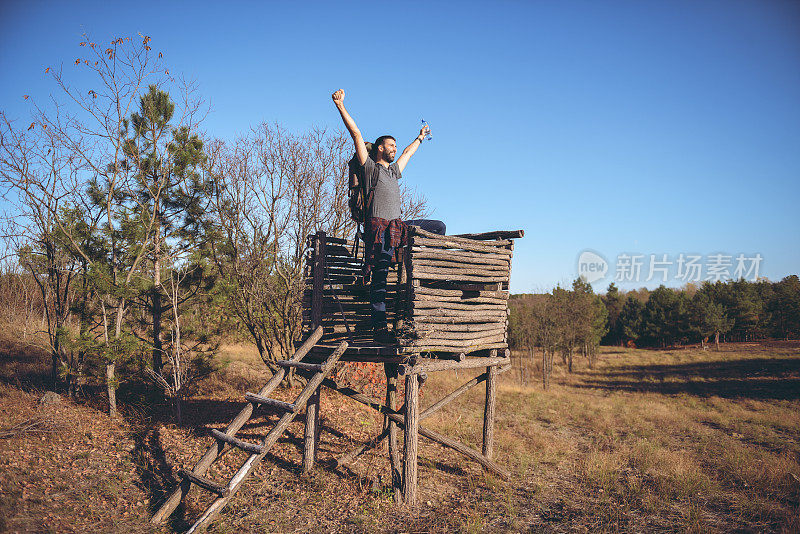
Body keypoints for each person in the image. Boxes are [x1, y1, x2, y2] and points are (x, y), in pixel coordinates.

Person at [332, 89, 446, 343]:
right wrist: (340, 106)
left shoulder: (394, 172)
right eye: (391, 145)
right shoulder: (370, 169)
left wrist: (419, 138)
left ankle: (425, 273)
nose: (395, 149)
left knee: (438, 227)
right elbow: (357, 135)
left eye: (396, 145)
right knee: (380, 279)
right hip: (379, 230)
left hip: (398, 227)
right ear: (381, 148)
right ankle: (380, 329)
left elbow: (408, 154)